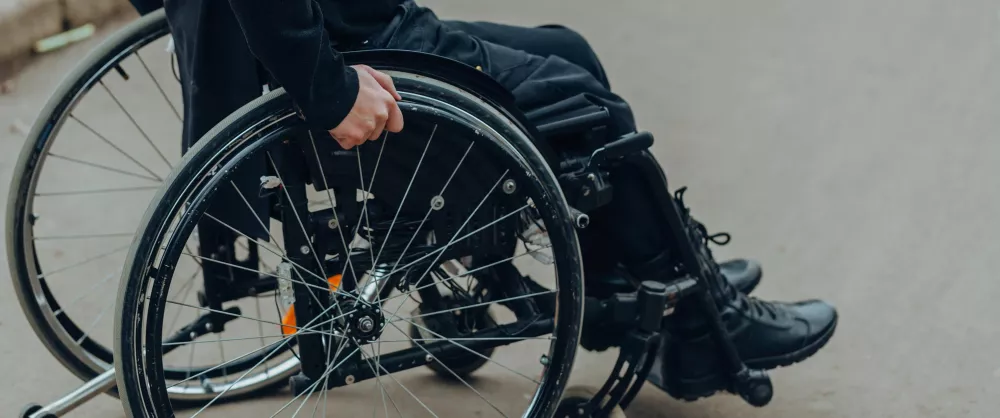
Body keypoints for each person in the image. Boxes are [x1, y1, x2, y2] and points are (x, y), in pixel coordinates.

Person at [149, 0, 837, 400]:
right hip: (353, 51)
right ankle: (700, 330)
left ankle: (616, 288)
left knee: (570, 49)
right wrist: (327, 90)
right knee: (590, 109)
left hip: (343, 23)